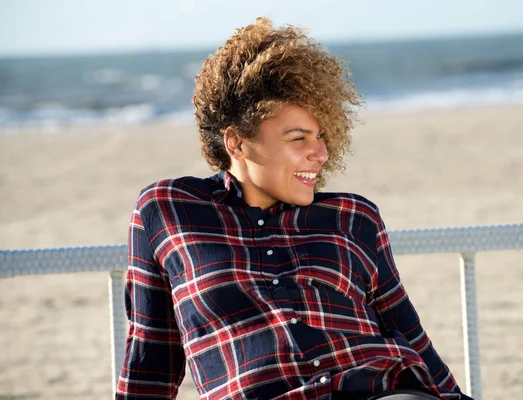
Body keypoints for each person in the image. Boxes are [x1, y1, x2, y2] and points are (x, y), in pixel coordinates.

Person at [116, 18, 474, 400]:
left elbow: (410, 336)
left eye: (321, 136)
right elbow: (150, 358)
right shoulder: (168, 210)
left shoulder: (354, 217)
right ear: (236, 142)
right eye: (298, 138)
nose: (320, 153)